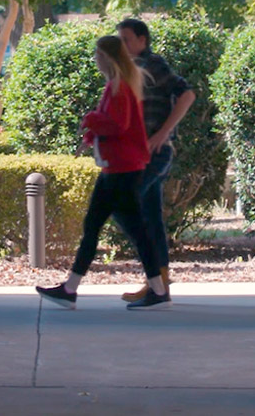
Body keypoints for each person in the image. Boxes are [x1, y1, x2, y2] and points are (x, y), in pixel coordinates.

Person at [36, 35, 171, 311]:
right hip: (122, 167)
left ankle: (71, 289)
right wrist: (93, 133)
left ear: (107, 57)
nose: (95, 60)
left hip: (119, 169)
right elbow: (118, 127)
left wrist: (90, 119)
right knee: (128, 229)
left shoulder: (118, 87)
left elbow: (117, 125)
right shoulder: (121, 86)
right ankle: (156, 290)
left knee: (101, 227)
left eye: (98, 54)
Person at [116, 18, 196, 303]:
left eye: (126, 40)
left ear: (142, 40)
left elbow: (187, 94)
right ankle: (158, 284)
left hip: (154, 154)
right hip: (138, 155)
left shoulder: (154, 65)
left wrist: (163, 133)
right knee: (150, 217)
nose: (122, 45)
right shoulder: (129, 70)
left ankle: (156, 282)